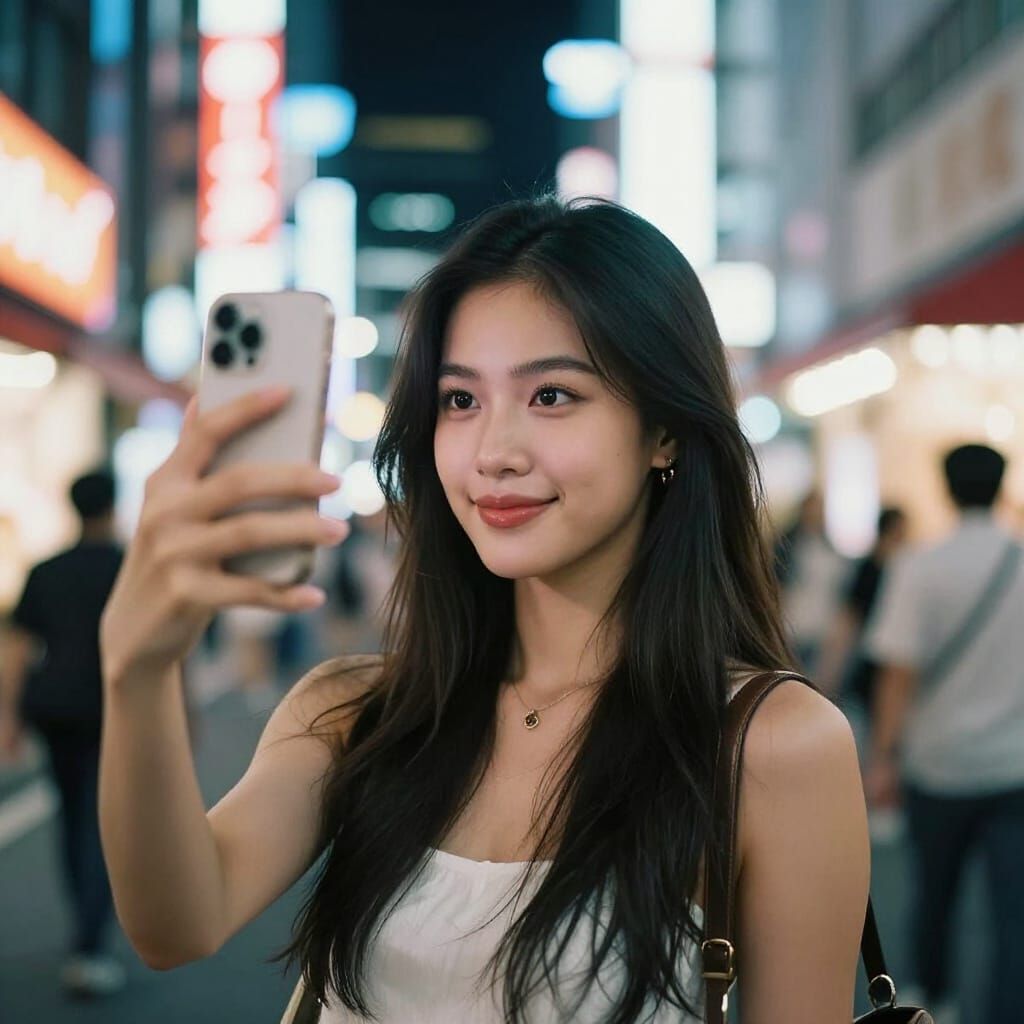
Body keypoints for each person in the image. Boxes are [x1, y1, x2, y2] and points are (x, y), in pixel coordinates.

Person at [97, 195, 869, 1022]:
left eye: (552, 396)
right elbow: (175, 925)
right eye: (460, 401)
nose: (493, 453)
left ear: (665, 431)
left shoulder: (771, 744)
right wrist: (137, 672)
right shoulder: (354, 713)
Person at [863, 444, 1024, 1021]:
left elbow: (897, 673)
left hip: (938, 765)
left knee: (935, 895)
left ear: (947, 489)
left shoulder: (920, 566)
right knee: (1014, 914)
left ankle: (938, 1001)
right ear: (1001, 487)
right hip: (1014, 767)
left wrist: (883, 757)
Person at [0, 469, 127, 997]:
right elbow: (167, 650)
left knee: (73, 815)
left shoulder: (46, 570)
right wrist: (182, 716)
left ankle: (84, 927)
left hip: (54, 706)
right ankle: (90, 943)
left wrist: (8, 716)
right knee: (105, 820)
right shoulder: (130, 567)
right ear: (112, 506)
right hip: (116, 709)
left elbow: (16, 647)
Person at [816, 506, 908, 709]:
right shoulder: (869, 569)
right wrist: (831, 668)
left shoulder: (902, 571)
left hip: (887, 657)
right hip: (865, 654)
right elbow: (849, 617)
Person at [772, 490, 849, 678]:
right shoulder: (788, 544)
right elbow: (778, 585)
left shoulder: (827, 546)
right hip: (792, 621)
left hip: (821, 623)